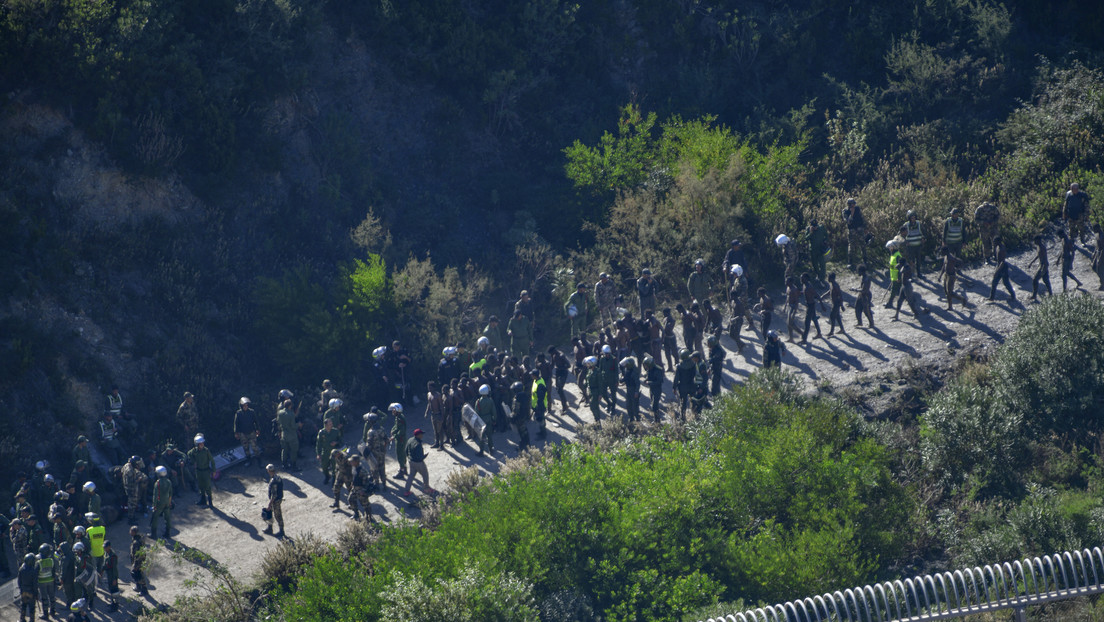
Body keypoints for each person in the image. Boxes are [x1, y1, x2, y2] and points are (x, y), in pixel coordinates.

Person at [402, 430, 434, 497]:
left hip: (411, 461)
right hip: (418, 463)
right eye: (421, 434)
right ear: (418, 435)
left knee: (411, 476)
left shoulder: (410, 440)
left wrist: (409, 457)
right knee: (425, 474)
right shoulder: (418, 444)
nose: (422, 435)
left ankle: (406, 491)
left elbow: (406, 450)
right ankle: (426, 488)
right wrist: (424, 456)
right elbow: (420, 456)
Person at [188, 434, 215, 507]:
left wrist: (214, 471)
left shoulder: (206, 450)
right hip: (198, 471)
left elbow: (212, 461)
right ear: (197, 444)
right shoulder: (194, 451)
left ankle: (210, 502)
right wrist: (194, 461)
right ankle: (203, 500)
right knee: (201, 486)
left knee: (208, 486)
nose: (202, 444)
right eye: (200, 444)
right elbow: (189, 454)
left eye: (203, 443)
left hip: (206, 471)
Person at [364, 412, 389, 490]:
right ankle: (384, 485)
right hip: (382, 452)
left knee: (374, 469)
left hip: (374, 454)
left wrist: (365, 453)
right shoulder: (381, 429)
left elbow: (369, 445)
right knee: (382, 468)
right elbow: (386, 439)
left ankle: (377, 485)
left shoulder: (370, 432)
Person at [987, 236, 1017, 303]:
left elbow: (1002, 262)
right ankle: (992, 297)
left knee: (1005, 283)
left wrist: (997, 271)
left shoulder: (1002, 249)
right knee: (995, 283)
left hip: (1003, 268)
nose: (993, 243)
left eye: (995, 242)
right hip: (1000, 266)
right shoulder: (998, 247)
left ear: (998, 241)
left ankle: (1013, 295)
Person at [939, 246, 969, 310]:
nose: (941, 253)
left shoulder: (951, 258)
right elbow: (943, 267)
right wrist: (940, 276)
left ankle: (962, 299)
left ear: (946, 251)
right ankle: (950, 306)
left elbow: (961, 262)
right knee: (947, 292)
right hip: (946, 275)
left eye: (942, 252)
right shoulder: (945, 257)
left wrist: (957, 269)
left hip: (951, 276)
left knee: (950, 293)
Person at [234, 397, 260, 467]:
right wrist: (236, 433)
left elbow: (256, 421)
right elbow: (236, 423)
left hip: (251, 432)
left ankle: (259, 461)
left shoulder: (252, 412)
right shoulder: (238, 413)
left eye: (247, 405)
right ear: (241, 406)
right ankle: (249, 460)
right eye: (244, 405)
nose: (246, 406)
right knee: (246, 448)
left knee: (255, 447)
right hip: (242, 433)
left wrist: (257, 429)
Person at [346, 454, 373, 521]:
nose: (351, 462)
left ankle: (369, 517)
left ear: (356, 462)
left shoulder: (362, 471)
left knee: (365, 504)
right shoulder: (354, 468)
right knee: (351, 499)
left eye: (352, 461)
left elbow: (367, 482)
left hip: (361, 490)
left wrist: (363, 490)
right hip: (355, 488)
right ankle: (356, 514)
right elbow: (355, 477)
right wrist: (353, 484)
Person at [315, 419, 341, 486]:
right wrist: (318, 454)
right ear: (326, 425)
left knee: (334, 467)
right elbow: (318, 444)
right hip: (325, 453)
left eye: (331, 423)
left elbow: (341, 441)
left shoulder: (335, 431)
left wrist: (336, 442)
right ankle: (327, 476)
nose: (331, 425)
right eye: (330, 424)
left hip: (334, 452)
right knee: (324, 467)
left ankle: (334, 480)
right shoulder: (321, 432)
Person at [843, 197, 867, 268]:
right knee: (851, 246)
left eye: (854, 204)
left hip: (860, 229)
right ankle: (850, 262)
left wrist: (865, 227)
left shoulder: (858, 209)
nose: (853, 205)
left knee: (863, 244)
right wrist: (852, 213)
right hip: (852, 230)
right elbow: (848, 222)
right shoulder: (845, 211)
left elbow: (862, 218)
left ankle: (865, 260)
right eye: (852, 204)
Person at [149, 466, 172, 540]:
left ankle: (153, 534)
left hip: (159, 503)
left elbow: (155, 495)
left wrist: (154, 505)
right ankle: (167, 533)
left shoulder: (157, 483)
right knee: (167, 517)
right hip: (167, 502)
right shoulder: (169, 481)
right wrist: (169, 502)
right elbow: (171, 493)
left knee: (155, 518)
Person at [1027, 234, 1053, 301]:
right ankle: (1050, 294)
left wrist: (1042, 268)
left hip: (1043, 265)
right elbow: (1038, 255)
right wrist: (1031, 262)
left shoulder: (1042, 247)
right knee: (1046, 280)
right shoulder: (1038, 247)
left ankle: (1034, 295)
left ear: (1038, 240)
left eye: (1035, 240)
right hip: (1042, 265)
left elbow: (1044, 258)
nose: (1034, 242)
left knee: (1035, 280)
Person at [276, 399, 298, 471]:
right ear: (290, 406)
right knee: (293, 450)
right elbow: (293, 426)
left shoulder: (280, 413)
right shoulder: (291, 414)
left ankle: (284, 464)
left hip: (283, 434)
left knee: (284, 450)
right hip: (292, 435)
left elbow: (278, 422)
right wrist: (299, 425)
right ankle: (293, 466)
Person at [36, 542, 57, 618]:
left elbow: (36, 573)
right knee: (52, 596)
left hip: (42, 582)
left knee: (44, 598)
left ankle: (45, 614)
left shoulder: (39, 562)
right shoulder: (51, 560)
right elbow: (54, 572)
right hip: (51, 581)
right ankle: (53, 611)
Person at [263, 464, 284, 537]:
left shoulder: (274, 481)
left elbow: (274, 495)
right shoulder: (278, 477)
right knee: (269, 513)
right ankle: (269, 528)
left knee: (278, 515)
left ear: (269, 471)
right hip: (277, 499)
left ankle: (281, 531)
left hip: (276, 500)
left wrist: (270, 504)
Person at [902, 210, 924, 277]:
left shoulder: (919, 223)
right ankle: (911, 275)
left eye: (914, 218)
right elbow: (902, 234)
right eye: (912, 218)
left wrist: (923, 239)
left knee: (918, 261)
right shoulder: (906, 225)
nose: (913, 219)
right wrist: (905, 242)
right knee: (911, 261)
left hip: (918, 245)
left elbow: (923, 232)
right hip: (910, 246)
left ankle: (919, 273)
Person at [643, 355, 665, 421]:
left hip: (657, 390)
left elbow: (659, 381)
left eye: (646, 365)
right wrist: (646, 379)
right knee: (653, 403)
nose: (645, 367)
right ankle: (656, 419)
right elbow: (648, 376)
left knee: (655, 406)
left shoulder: (658, 370)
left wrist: (649, 383)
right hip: (652, 389)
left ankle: (657, 420)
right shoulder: (650, 369)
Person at [389, 403, 407, 478]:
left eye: (394, 410)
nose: (392, 411)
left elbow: (401, 430)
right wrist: (392, 430)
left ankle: (401, 471)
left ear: (397, 410)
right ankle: (404, 468)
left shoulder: (400, 418)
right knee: (403, 454)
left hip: (400, 439)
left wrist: (394, 436)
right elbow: (396, 426)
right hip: (400, 438)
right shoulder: (398, 417)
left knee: (400, 455)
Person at [529, 368, 549, 439]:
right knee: (541, 419)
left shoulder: (540, 384)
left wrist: (538, 407)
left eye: (532, 375)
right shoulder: (536, 380)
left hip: (540, 406)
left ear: (535, 376)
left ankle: (543, 435)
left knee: (541, 420)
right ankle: (542, 432)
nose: (531, 376)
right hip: (537, 405)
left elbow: (540, 398)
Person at [129, 525, 149, 596]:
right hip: (135, 560)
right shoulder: (138, 538)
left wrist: (136, 565)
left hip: (138, 561)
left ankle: (144, 590)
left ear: (134, 532)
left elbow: (138, 555)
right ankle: (138, 586)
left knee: (139, 575)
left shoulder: (136, 542)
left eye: (131, 531)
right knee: (136, 574)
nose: (130, 532)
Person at [825, 272, 845, 337]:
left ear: (831, 278)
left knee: (832, 316)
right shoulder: (832, 284)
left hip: (836, 304)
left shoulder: (835, 286)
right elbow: (829, 291)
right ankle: (842, 329)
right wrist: (823, 296)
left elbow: (840, 295)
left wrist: (841, 305)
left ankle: (831, 332)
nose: (827, 278)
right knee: (837, 316)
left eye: (828, 277)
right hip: (834, 303)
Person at [19, 552, 37, 622]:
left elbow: (19, 581)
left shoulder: (21, 569)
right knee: (32, 607)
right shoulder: (33, 571)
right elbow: (35, 583)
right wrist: (36, 593)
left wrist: (21, 589)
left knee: (23, 605)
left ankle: (22, 619)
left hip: (23, 590)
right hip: (31, 592)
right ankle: (32, 620)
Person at [102, 540, 120, 611]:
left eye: (106, 547)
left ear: (109, 547)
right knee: (111, 589)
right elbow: (105, 563)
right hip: (109, 575)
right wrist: (102, 570)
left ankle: (115, 606)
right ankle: (113, 602)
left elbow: (114, 569)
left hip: (112, 576)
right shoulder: (107, 553)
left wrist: (114, 579)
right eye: (104, 547)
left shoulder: (113, 556)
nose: (105, 549)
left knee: (114, 590)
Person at [886, 240, 904, 308]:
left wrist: (899, 278)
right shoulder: (892, 255)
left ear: (894, 247)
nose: (889, 248)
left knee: (893, 291)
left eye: (890, 247)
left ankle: (890, 303)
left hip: (897, 277)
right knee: (900, 291)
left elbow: (900, 268)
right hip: (894, 277)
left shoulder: (897, 256)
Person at [1093, 224, 1104, 290]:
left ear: (1098, 228)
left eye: (1094, 229)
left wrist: (1100, 258)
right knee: (1094, 267)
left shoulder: (1102, 236)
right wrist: (1094, 253)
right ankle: (1102, 281)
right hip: (1098, 253)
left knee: (1099, 269)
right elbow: (1097, 245)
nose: (1093, 230)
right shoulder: (1097, 235)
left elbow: (1103, 248)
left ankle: (1103, 284)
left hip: (1102, 254)